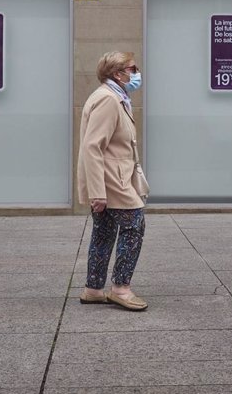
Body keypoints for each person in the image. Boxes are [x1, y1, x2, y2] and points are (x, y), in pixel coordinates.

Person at [77, 51, 148, 311]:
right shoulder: (108, 100)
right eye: (132, 68)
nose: (136, 73)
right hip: (112, 181)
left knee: (104, 231)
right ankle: (121, 288)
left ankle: (94, 289)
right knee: (134, 226)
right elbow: (93, 147)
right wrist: (98, 192)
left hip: (111, 178)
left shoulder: (115, 97)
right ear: (118, 74)